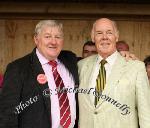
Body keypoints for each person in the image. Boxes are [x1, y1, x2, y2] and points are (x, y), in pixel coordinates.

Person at [0, 20, 79, 128]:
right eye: (47, 36)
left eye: (58, 37)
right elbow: (7, 115)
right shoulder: (17, 68)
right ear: (36, 39)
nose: (53, 42)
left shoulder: (70, 60)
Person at [78, 18, 150, 128]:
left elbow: (146, 114)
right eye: (99, 33)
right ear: (93, 37)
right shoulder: (81, 66)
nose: (104, 37)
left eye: (109, 32)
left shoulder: (136, 67)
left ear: (117, 36)